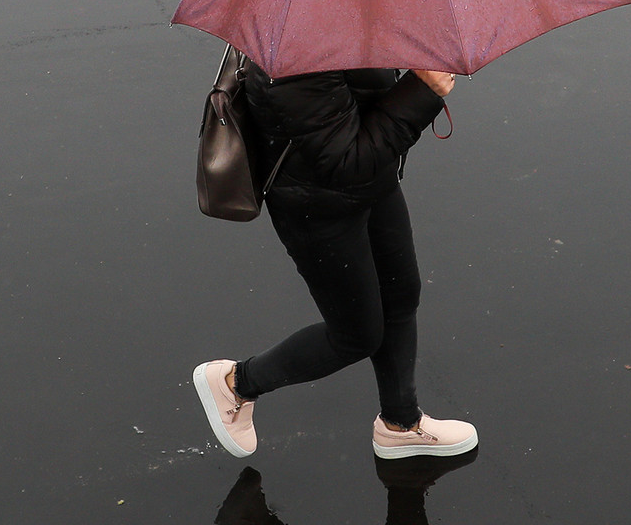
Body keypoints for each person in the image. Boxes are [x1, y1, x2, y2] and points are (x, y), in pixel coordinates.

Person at [192, 63, 477, 461]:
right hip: (317, 205)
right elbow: (345, 161)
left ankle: (400, 424)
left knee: (400, 294)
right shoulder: (292, 61)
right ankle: (235, 383)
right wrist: (421, 92)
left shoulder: (351, 21)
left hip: (372, 181)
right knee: (356, 334)